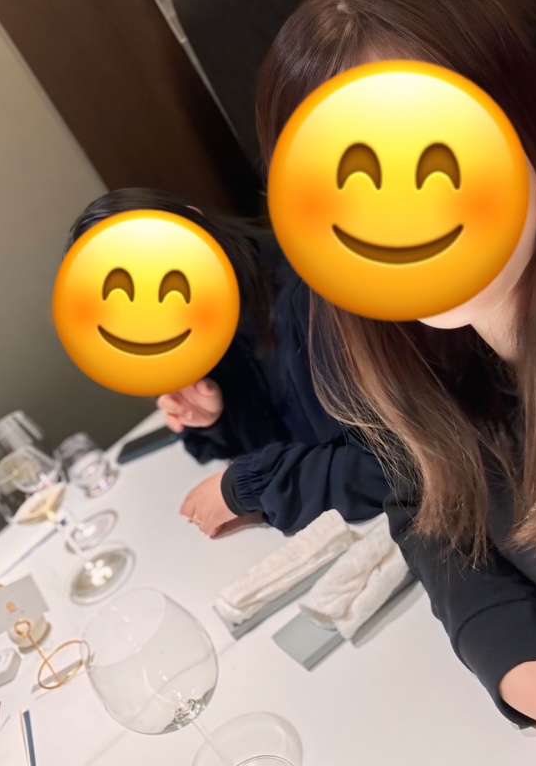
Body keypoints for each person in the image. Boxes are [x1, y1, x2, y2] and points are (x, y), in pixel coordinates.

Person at [257, 0, 536, 751]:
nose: (396, 216)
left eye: (436, 159)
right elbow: (424, 501)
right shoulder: (431, 365)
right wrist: (514, 659)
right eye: (349, 184)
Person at [65, 187, 390, 536]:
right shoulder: (202, 323)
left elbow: (393, 469)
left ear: (197, 223)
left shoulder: (315, 294)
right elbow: (276, 443)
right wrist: (216, 422)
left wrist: (246, 488)